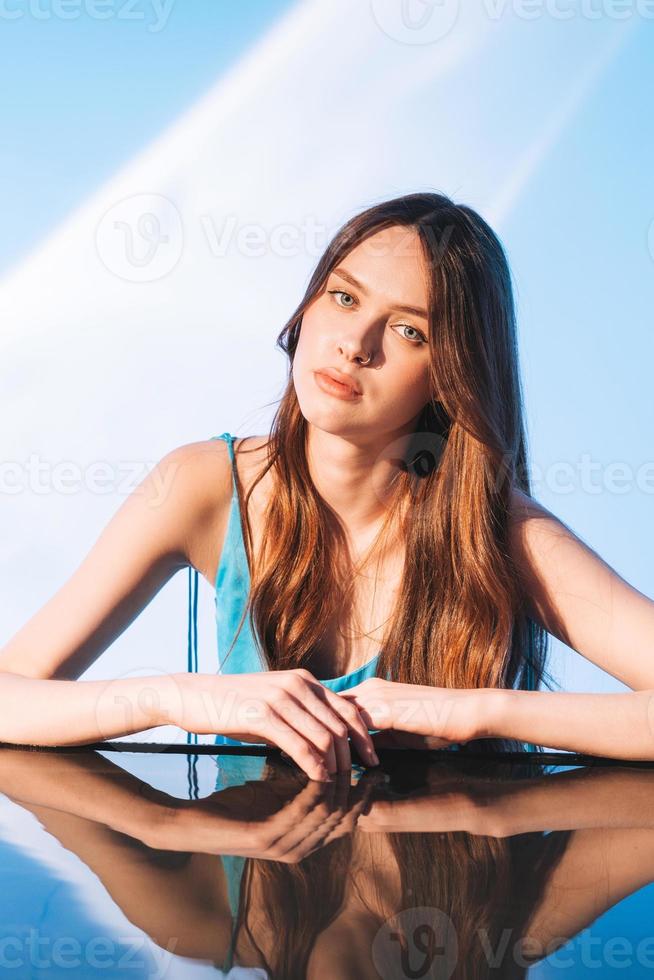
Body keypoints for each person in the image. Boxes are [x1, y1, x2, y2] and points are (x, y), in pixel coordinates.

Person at [2, 191, 654, 782]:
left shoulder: (494, 529)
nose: (354, 345)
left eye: (409, 331)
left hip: (446, 907)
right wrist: (176, 696)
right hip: (246, 900)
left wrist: (476, 712)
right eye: (344, 298)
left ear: (451, 375)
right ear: (308, 307)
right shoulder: (202, 485)